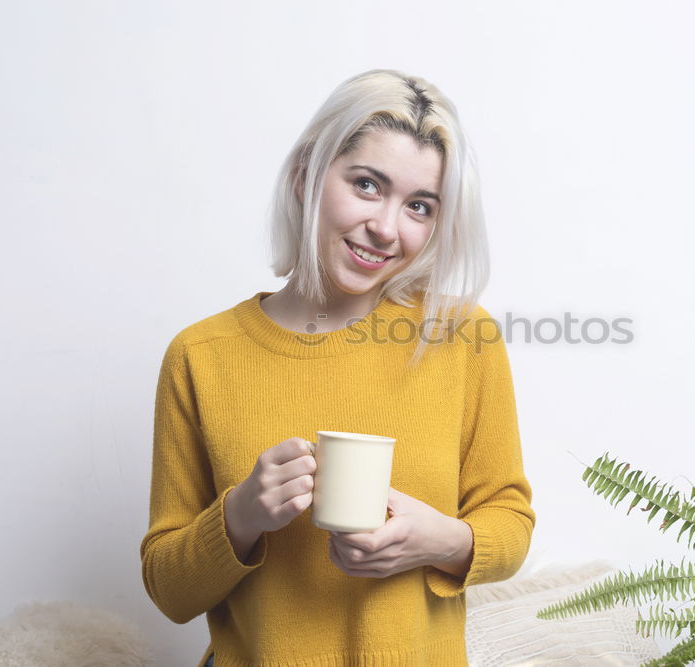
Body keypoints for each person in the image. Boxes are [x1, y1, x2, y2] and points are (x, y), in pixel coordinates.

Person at [139, 69, 536, 667]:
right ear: (306, 176)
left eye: (419, 206)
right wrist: (242, 514)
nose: (386, 228)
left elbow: (510, 520)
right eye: (368, 184)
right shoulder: (202, 355)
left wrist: (440, 540)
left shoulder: (462, 337)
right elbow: (168, 591)